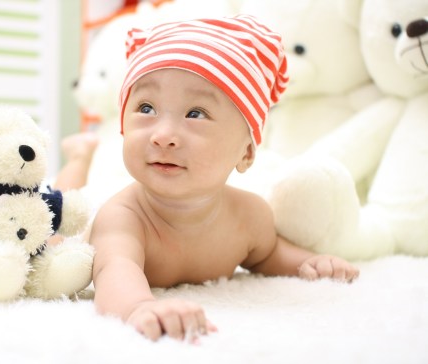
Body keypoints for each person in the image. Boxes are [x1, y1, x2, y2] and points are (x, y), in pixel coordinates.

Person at [86, 14, 360, 342]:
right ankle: (81, 158)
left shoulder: (249, 216)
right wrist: (138, 307)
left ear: (245, 153)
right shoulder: (124, 217)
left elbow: (268, 254)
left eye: (195, 114)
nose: (163, 135)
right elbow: (114, 269)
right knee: (74, 196)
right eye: (146, 108)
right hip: (93, 211)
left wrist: (311, 263)